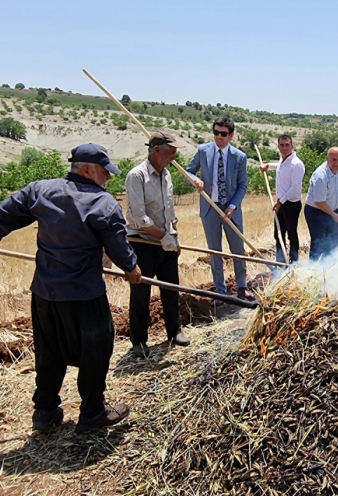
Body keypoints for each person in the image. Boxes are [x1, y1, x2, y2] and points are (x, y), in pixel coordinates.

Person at [0, 143, 142, 434]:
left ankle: (44, 412)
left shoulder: (41, 190)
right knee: (96, 351)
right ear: (88, 169)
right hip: (84, 294)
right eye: (105, 172)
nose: (108, 178)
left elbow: (6, 211)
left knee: (48, 352)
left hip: (45, 293)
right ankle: (92, 413)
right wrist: (131, 268)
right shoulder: (103, 203)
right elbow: (117, 245)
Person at [125, 132, 189, 358]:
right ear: (156, 151)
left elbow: (169, 212)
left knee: (171, 289)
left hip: (165, 242)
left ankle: (174, 332)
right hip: (142, 242)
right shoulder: (137, 176)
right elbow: (138, 218)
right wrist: (162, 236)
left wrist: (174, 236)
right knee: (141, 293)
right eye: (170, 151)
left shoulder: (167, 175)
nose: (174, 156)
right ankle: (139, 341)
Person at [186, 117, 254, 303]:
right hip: (210, 207)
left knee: (237, 249)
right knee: (215, 251)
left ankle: (241, 287)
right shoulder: (202, 151)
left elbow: (242, 185)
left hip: (231, 208)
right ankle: (221, 291)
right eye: (216, 132)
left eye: (223, 134)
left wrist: (232, 206)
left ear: (231, 135)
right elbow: (188, 171)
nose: (219, 137)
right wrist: (194, 180)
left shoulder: (239, 157)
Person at [260, 134, 305, 264]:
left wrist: (280, 202)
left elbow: (295, 188)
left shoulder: (297, 164)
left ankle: (293, 262)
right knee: (278, 233)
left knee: (291, 234)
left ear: (292, 146)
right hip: (281, 203)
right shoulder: (282, 160)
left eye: (287, 145)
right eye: (282, 145)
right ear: (278, 146)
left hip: (291, 204)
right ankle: (280, 262)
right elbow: (280, 167)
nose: (284, 148)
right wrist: (268, 166)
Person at [304, 147, 338, 260]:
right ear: (327, 159)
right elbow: (319, 202)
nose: (336, 163)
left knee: (334, 242)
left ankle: (331, 268)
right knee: (319, 243)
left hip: (331, 210)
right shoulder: (321, 176)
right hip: (316, 212)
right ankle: (313, 271)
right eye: (333, 160)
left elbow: (332, 189)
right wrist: (334, 215)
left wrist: (336, 197)